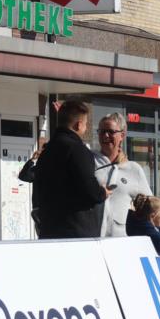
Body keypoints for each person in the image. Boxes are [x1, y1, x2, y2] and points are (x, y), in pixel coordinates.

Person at [93, 113, 160, 239]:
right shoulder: (89, 161)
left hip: (120, 241)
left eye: (110, 131)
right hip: (91, 240)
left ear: (122, 135)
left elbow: (153, 205)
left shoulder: (133, 169)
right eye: (102, 131)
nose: (105, 135)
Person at [33, 101, 110, 239]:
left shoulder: (46, 151)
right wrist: (102, 192)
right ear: (78, 125)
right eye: (86, 124)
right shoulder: (77, 149)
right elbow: (89, 189)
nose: (86, 128)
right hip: (75, 232)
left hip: (49, 230)